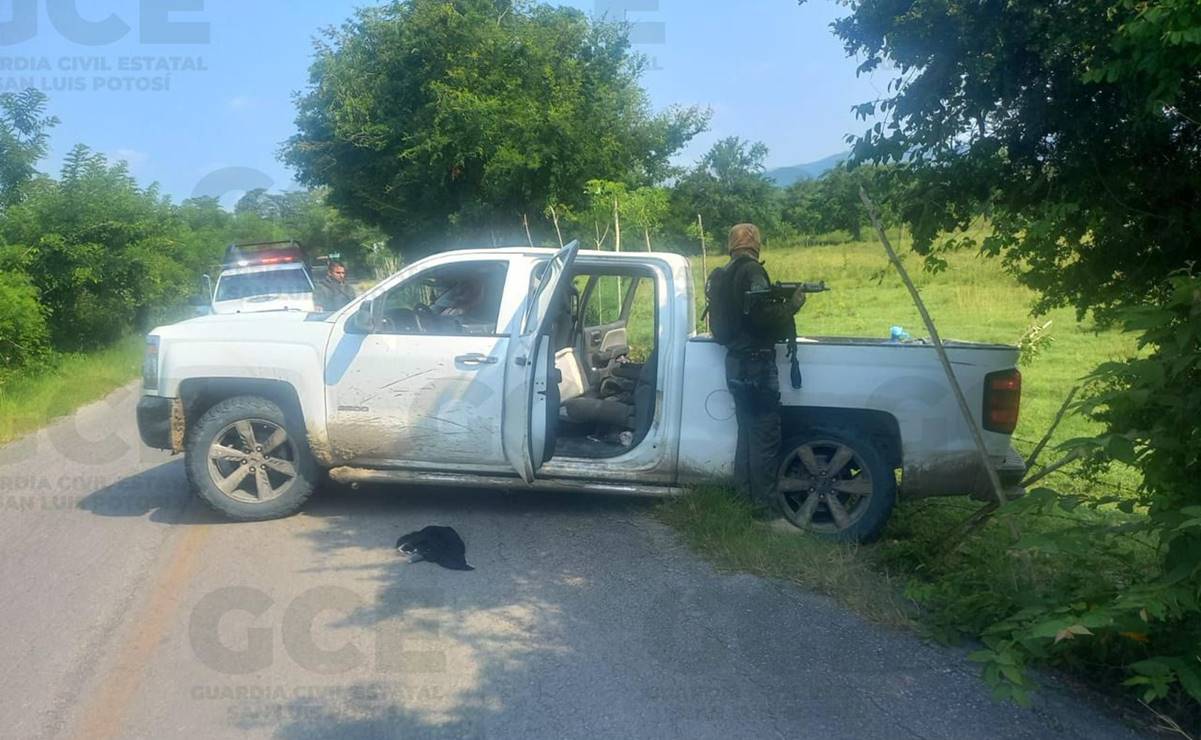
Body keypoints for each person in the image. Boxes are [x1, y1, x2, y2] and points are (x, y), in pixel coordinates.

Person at [718, 224, 807, 511]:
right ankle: (766, 510)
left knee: (746, 434)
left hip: (735, 362)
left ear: (732, 245)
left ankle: (744, 502)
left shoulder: (726, 273)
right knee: (765, 436)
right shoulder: (753, 272)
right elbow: (762, 317)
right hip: (756, 365)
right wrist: (792, 305)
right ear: (756, 244)